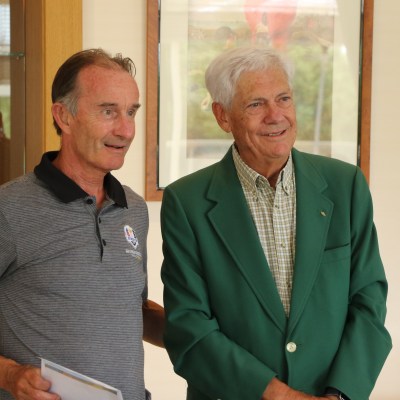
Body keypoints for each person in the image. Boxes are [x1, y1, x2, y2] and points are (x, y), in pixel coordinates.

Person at [160, 46, 392, 400]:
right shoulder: (186, 202)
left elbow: (369, 302)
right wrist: (281, 396)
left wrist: (340, 395)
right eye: (256, 104)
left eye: (283, 99)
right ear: (223, 116)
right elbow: (188, 327)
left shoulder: (346, 185)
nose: (276, 116)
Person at [0, 48, 164, 400]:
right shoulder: (8, 209)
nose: (126, 130)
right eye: (108, 111)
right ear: (64, 116)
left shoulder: (134, 210)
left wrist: (208, 336)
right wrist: (10, 375)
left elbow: (130, 309)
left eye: (131, 112)